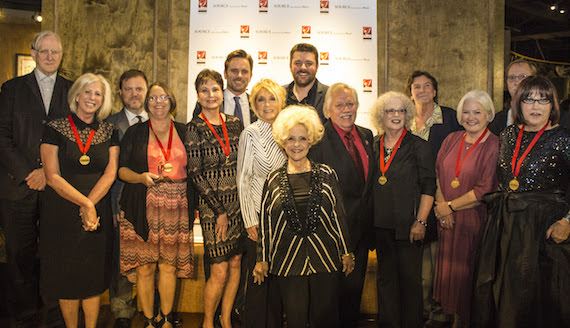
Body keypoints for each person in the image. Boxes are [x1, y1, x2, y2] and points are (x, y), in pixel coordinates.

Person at [472, 76, 570, 328]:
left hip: (544, 231)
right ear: (518, 103)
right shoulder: (507, 135)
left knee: (538, 301)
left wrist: (567, 222)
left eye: (543, 99)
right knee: (503, 296)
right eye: (529, 99)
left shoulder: (563, 138)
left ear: (553, 105)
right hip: (506, 227)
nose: (536, 106)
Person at [254, 105, 355, 328]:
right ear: (282, 142)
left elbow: (339, 215)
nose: (296, 145)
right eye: (291, 139)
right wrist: (262, 258)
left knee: (326, 319)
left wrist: (347, 251)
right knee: (295, 319)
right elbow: (266, 224)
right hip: (287, 261)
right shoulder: (272, 179)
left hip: (326, 259)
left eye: (302, 138)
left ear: (311, 141)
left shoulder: (328, 174)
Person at [0, 30, 72, 327]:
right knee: (19, 255)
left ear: (61, 55)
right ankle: (22, 316)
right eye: (44, 51)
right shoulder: (11, 88)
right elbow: (2, 135)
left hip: (56, 186)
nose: (50, 56)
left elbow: (75, 137)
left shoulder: (72, 89)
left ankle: (54, 315)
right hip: (18, 186)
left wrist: (48, 172)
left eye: (55, 52)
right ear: (33, 53)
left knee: (55, 252)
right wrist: (29, 171)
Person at [40, 73, 118, 328]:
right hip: (62, 211)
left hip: (97, 211)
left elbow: (110, 172)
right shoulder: (54, 127)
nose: (92, 98)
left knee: (92, 275)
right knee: (68, 276)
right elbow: (51, 175)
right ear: (76, 95)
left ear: (103, 100)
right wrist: (85, 204)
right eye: (87, 92)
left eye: (97, 94)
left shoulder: (110, 130)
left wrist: (91, 204)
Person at [117, 82, 193, 328]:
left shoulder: (185, 130)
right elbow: (121, 170)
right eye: (152, 97)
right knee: (145, 267)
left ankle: (167, 318)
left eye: (163, 97)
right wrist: (140, 177)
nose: (158, 101)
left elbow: (195, 170)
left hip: (177, 205)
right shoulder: (134, 133)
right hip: (142, 203)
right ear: (146, 102)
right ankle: (149, 320)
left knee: (169, 267)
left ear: (171, 101)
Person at [308, 83, 374, 328]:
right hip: (331, 236)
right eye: (340, 105)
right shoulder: (317, 142)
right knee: (328, 302)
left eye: (350, 103)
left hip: (361, 234)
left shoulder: (367, 136)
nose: (347, 109)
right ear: (327, 111)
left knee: (352, 298)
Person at [432, 90, 499, 328]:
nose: (471, 117)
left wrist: (448, 207)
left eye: (477, 112)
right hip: (447, 223)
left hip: (473, 224)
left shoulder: (494, 145)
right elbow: (438, 174)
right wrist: (442, 206)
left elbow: (485, 189)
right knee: (451, 281)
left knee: (467, 283)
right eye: (466, 112)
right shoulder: (452, 139)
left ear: (489, 114)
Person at [371, 91, 436, 328]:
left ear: (407, 114)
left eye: (401, 110)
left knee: (409, 283)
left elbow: (429, 186)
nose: (396, 115)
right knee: (385, 281)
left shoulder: (419, 146)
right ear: (381, 115)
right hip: (381, 226)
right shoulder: (374, 144)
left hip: (410, 227)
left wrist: (421, 221)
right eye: (390, 111)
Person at [186, 69, 245, 328]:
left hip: (238, 206)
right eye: (204, 90)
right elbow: (195, 174)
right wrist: (219, 210)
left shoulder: (235, 123)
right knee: (219, 271)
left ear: (223, 93)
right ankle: (208, 322)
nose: (210, 95)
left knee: (235, 264)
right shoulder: (193, 128)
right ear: (197, 95)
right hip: (213, 209)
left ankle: (226, 318)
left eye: (215, 89)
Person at [405, 70, 461, 325]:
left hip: (442, 194)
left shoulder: (450, 118)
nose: (422, 90)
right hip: (409, 197)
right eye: (417, 86)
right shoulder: (403, 117)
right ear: (410, 92)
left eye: (427, 85)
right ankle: (420, 310)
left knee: (438, 261)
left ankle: (439, 312)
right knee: (415, 263)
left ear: (435, 91)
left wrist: (444, 200)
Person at [236, 79, 287, 328]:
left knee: (279, 282)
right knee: (258, 281)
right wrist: (249, 221)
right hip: (258, 219)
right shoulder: (250, 134)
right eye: (261, 99)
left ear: (281, 101)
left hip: (285, 221)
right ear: (254, 105)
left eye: (272, 98)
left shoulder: (289, 131)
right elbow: (243, 179)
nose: (267, 104)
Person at [105, 69, 149, 328]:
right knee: (122, 258)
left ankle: (150, 306)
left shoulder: (159, 119)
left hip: (155, 199)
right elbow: (109, 172)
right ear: (120, 92)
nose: (134, 94)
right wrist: (111, 208)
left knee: (152, 257)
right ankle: (122, 308)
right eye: (129, 89)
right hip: (121, 199)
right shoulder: (110, 124)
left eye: (139, 88)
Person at [192, 49, 257, 127]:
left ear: (250, 76)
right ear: (225, 73)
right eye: (234, 71)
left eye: (244, 72)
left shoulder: (256, 104)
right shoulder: (209, 101)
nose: (239, 75)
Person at [488, 59, 537, 135]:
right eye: (512, 77)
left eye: (522, 76)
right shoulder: (495, 121)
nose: (516, 82)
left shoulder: (548, 117)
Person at [284, 43, 329, 123]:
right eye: (298, 63)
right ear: (290, 66)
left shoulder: (329, 95)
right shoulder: (279, 95)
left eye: (309, 63)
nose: (303, 67)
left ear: (317, 66)